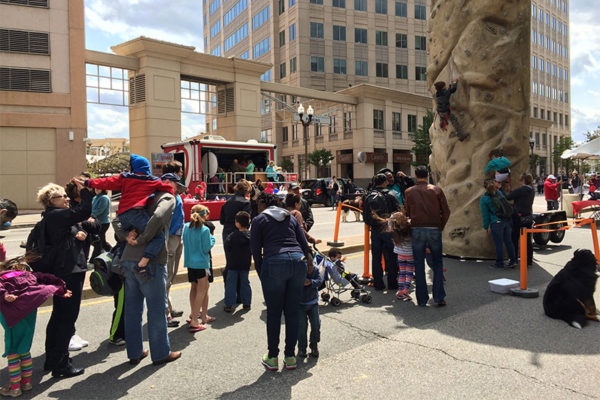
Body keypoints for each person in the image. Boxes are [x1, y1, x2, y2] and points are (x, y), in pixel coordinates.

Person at [112, 187, 181, 366]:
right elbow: (158, 218)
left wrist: (126, 237)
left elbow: (116, 220)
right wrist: (143, 239)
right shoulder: (165, 197)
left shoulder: (136, 193)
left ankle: (134, 353)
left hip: (128, 257)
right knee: (157, 310)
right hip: (152, 261)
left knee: (132, 310)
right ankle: (160, 354)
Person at [81, 154, 174, 276]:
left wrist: (88, 182)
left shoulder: (125, 178)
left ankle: (119, 264)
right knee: (159, 237)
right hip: (136, 214)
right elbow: (168, 188)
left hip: (123, 215)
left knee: (124, 241)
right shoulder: (152, 181)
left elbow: (106, 182)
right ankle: (142, 264)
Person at [250, 192, 312, 371]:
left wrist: (263, 274)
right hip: (298, 261)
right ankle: (290, 357)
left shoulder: (259, 220)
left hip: (275, 262)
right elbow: (303, 243)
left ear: (262, 204)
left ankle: (272, 357)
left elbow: (255, 251)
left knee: (274, 313)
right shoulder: (290, 218)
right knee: (292, 312)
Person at [36, 181, 92, 377]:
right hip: (68, 272)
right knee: (67, 318)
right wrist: (85, 190)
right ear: (52, 201)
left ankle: (52, 359)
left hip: (61, 271)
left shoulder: (51, 217)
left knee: (58, 315)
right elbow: (83, 212)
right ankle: (62, 364)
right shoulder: (56, 216)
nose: (67, 198)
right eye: (63, 196)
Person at [0, 255, 72, 397]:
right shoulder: (28, 274)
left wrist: (5, 295)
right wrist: (61, 289)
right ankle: (26, 383)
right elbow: (47, 278)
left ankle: (15, 388)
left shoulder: (2, 277)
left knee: (13, 351)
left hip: (12, 316)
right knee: (24, 349)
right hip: (29, 313)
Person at [405, 166, 450, 307]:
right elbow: (446, 211)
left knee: (418, 265)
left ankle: (422, 299)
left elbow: (407, 211)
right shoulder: (436, 190)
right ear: (428, 175)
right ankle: (439, 297)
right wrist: (439, 226)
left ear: (415, 175)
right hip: (434, 228)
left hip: (417, 229)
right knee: (437, 263)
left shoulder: (409, 192)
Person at [362, 173, 400, 291]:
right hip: (389, 230)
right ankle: (392, 283)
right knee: (392, 257)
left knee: (376, 257)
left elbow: (366, 217)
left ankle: (378, 283)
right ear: (385, 182)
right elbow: (398, 213)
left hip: (376, 230)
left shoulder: (369, 196)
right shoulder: (391, 195)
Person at [182, 205, 216, 332]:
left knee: (194, 288)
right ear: (204, 215)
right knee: (202, 290)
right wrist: (213, 239)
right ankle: (196, 320)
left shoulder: (186, 226)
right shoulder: (205, 230)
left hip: (190, 262)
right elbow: (206, 248)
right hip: (201, 263)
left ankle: (194, 314)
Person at [161, 173, 186, 327]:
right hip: (170, 239)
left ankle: (169, 308)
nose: (178, 189)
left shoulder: (174, 195)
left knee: (170, 277)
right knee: (166, 278)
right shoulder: (165, 198)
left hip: (176, 238)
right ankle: (165, 314)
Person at [480, 179, 517, 269]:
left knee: (498, 244)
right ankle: (513, 261)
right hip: (506, 221)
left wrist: (485, 227)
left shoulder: (484, 199)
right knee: (509, 242)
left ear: (484, 188)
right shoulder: (499, 193)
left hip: (496, 222)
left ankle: (499, 263)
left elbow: (485, 215)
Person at [223, 211, 252, 312]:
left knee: (231, 283)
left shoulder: (232, 235)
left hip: (233, 263)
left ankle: (229, 304)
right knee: (245, 283)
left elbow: (227, 246)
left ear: (237, 223)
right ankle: (247, 303)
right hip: (245, 263)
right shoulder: (250, 236)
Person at [506, 173, 535, 267]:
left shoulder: (521, 190)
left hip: (518, 217)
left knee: (514, 238)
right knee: (527, 240)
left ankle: (514, 259)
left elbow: (509, 197)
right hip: (528, 216)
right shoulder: (532, 190)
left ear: (523, 180)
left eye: (520, 180)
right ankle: (529, 260)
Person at [297, 265, 323, 359]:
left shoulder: (315, 270)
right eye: (307, 265)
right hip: (300, 304)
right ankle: (302, 348)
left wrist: (311, 282)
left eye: (311, 264)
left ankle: (314, 345)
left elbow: (320, 281)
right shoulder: (296, 271)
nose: (310, 268)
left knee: (316, 324)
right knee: (301, 327)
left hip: (313, 303)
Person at [389, 212, 414, 301]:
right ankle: (406, 290)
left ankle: (400, 291)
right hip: (410, 255)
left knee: (402, 273)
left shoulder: (395, 229)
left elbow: (389, 222)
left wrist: (393, 216)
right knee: (409, 273)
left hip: (400, 255)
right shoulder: (409, 227)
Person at [90, 189, 112, 261]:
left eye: (98, 188)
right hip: (96, 222)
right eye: (95, 188)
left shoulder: (104, 198)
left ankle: (93, 260)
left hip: (103, 223)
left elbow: (99, 210)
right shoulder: (95, 197)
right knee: (102, 242)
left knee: (97, 241)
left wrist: (88, 214)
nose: (96, 189)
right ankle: (112, 252)